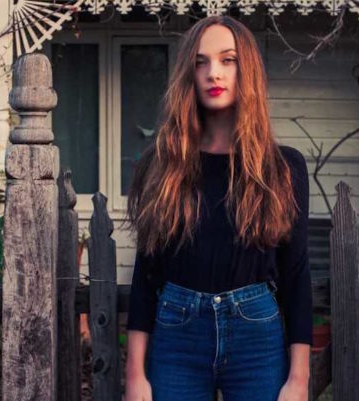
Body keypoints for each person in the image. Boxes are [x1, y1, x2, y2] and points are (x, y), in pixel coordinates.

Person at [122, 15, 312, 401]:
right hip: (177, 337)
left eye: (228, 60)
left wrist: (299, 378)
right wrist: (135, 374)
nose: (214, 73)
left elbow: (296, 276)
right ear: (188, 75)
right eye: (201, 62)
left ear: (248, 70)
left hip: (257, 337)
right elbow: (146, 273)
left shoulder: (282, 168)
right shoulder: (162, 163)